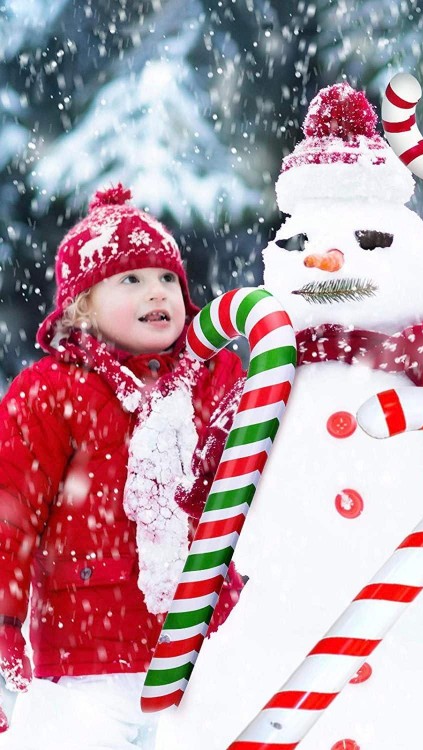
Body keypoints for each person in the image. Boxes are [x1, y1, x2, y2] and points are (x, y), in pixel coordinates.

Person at [0, 185, 245, 749]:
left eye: (167, 279)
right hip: (87, 657)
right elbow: (10, 512)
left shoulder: (215, 380)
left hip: (204, 645)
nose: (156, 291)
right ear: (82, 305)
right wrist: (6, 618)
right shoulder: (51, 392)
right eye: (130, 280)